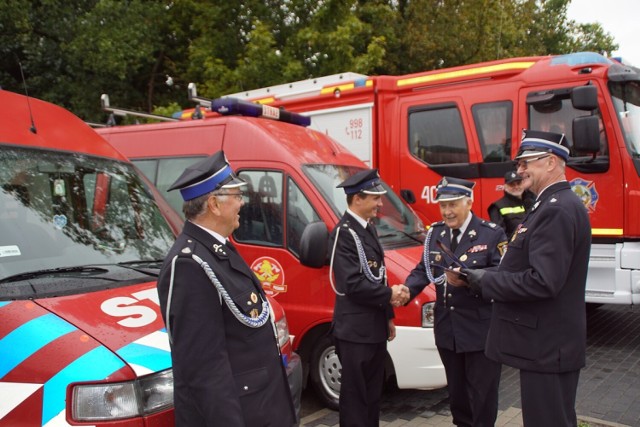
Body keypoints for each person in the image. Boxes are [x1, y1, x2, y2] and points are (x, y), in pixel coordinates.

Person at [156, 151, 297, 427]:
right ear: (214, 204)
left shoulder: (217, 247)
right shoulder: (189, 264)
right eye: (236, 195)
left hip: (261, 406)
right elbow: (204, 370)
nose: (242, 203)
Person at [461, 130, 591, 426]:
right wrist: (480, 275)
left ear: (551, 163)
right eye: (519, 164)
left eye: (526, 163)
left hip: (547, 347)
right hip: (546, 345)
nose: (520, 170)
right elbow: (522, 266)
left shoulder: (556, 209)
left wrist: (485, 281)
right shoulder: (549, 204)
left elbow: (543, 281)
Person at [404, 176, 507, 427]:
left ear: (469, 202)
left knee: (482, 398)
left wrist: (470, 280)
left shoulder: (491, 234)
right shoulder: (436, 233)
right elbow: (423, 269)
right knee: (458, 398)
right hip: (448, 331)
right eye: (443, 205)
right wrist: (406, 291)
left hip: (480, 332)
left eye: (453, 204)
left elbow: (503, 275)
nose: (447, 211)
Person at [329, 168, 409, 427]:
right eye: (375, 198)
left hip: (373, 328)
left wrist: (388, 317)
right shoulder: (345, 234)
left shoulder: (367, 229)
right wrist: (390, 295)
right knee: (355, 398)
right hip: (354, 333)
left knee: (373, 396)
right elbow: (352, 284)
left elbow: (379, 275)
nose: (380, 203)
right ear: (357, 199)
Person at [487, 170, 535, 237]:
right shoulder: (497, 206)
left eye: (518, 183)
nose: (516, 187)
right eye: (512, 184)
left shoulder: (532, 202)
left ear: (523, 184)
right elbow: (499, 236)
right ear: (505, 187)